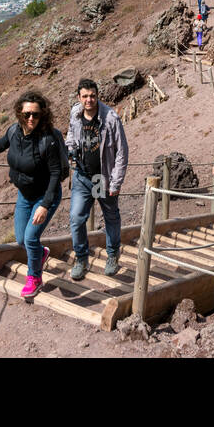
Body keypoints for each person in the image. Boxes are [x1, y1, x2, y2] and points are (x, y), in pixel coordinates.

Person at [0, 91, 64, 299]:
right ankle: (41, 255)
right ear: (19, 114)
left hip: (45, 196)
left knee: (31, 237)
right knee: (21, 239)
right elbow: (3, 143)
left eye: (35, 114)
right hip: (24, 195)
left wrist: (44, 205)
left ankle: (35, 278)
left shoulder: (48, 139)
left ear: (43, 114)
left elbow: (55, 174)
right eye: (27, 114)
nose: (31, 118)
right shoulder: (14, 130)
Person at [66, 78, 129, 279]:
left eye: (92, 95)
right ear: (79, 97)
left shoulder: (110, 118)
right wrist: (70, 149)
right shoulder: (75, 114)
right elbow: (70, 134)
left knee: (110, 217)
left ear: (97, 95)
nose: (89, 100)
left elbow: (122, 151)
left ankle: (112, 256)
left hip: (102, 178)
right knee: (76, 218)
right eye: (85, 96)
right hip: (82, 176)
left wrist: (116, 181)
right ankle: (81, 258)